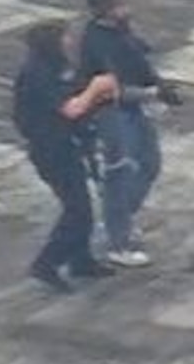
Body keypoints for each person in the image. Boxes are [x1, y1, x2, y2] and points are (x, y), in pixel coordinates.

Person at [13, 20, 121, 292]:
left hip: (68, 143)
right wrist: (95, 90)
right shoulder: (37, 73)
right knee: (78, 210)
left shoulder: (57, 66)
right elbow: (69, 108)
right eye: (65, 37)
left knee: (81, 200)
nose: (70, 42)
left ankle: (80, 259)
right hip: (51, 149)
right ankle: (47, 263)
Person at [78, 0, 179, 269]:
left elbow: (141, 62)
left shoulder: (122, 31)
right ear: (106, 8)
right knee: (120, 172)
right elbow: (111, 87)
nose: (128, 8)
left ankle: (120, 217)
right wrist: (151, 93)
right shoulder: (96, 42)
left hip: (133, 108)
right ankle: (118, 240)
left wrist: (158, 86)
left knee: (149, 163)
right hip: (111, 113)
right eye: (121, 3)